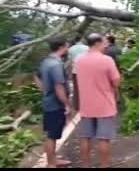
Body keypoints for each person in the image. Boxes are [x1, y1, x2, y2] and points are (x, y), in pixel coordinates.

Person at [74, 33, 121, 169]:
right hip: (104, 105)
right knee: (104, 138)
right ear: (97, 43)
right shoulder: (107, 60)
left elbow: (77, 80)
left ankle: (85, 165)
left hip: (86, 105)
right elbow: (116, 82)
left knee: (85, 137)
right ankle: (104, 165)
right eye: (104, 42)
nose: (106, 44)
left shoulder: (79, 60)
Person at [35, 36, 71, 168]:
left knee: (52, 133)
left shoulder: (46, 61)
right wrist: (67, 104)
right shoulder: (56, 64)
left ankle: (53, 159)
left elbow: (36, 76)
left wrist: (44, 90)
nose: (68, 49)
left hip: (48, 102)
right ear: (61, 47)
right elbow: (59, 86)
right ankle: (51, 163)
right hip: (55, 104)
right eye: (67, 46)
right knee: (52, 135)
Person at [66, 37, 89, 111]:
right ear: (81, 40)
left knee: (76, 89)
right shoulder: (87, 48)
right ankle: (87, 104)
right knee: (86, 88)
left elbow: (70, 62)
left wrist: (69, 73)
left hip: (75, 71)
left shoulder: (70, 49)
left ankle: (77, 106)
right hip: (86, 71)